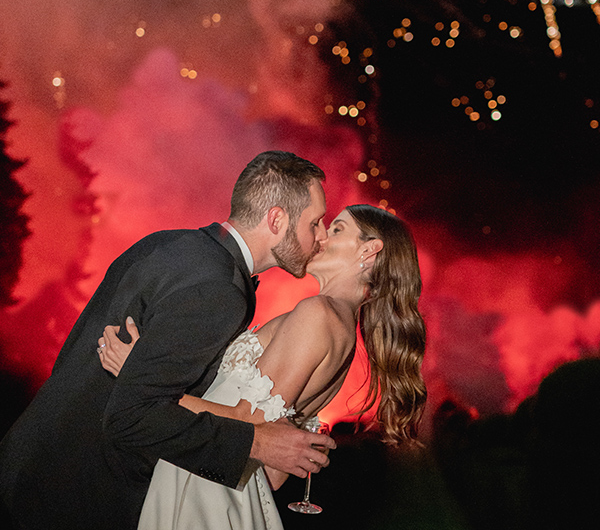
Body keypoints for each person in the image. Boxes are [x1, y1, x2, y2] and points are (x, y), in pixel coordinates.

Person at [0, 151, 336, 530]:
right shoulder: (217, 290)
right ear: (276, 219)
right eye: (315, 222)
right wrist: (257, 444)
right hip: (78, 499)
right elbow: (131, 417)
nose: (321, 236)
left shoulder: (168, 244)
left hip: (31, 467)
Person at [99, 204, 428, 529]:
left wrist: (143, 378)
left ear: (369, 251)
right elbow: (275, 473)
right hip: (223, 483)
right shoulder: (342, 330)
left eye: (338, 229)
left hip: (207, 488)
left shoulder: (319, 313)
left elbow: (249, 421)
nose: (323, 235)